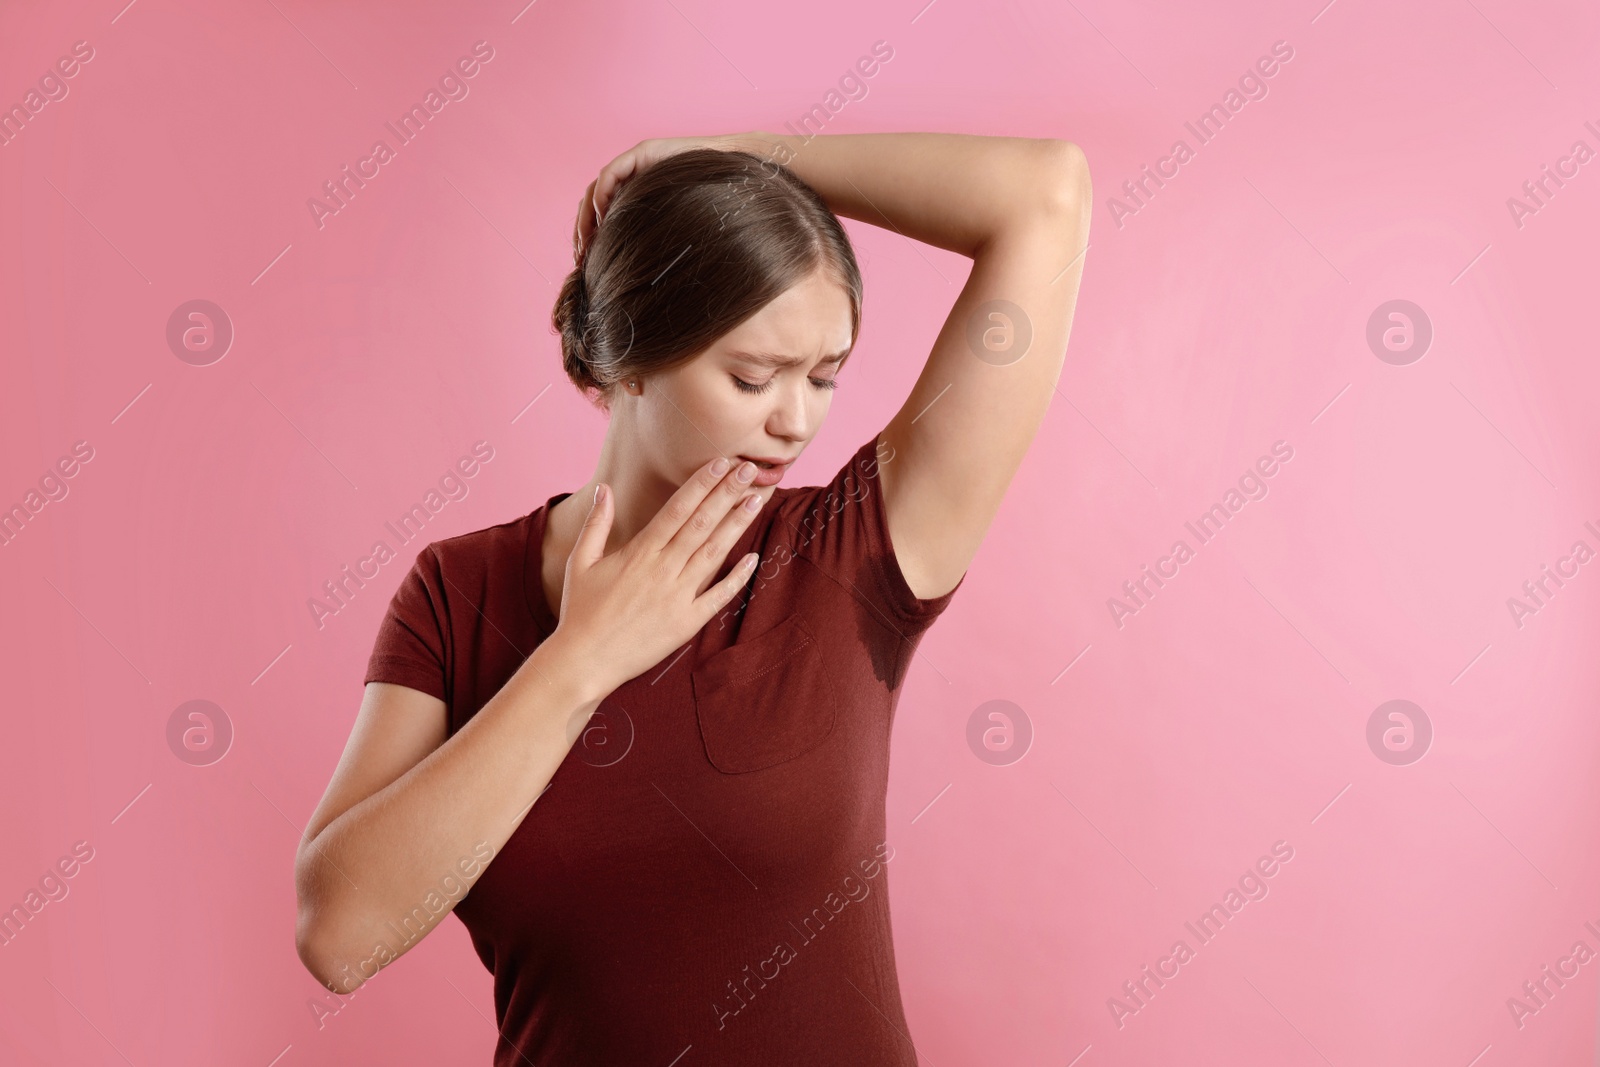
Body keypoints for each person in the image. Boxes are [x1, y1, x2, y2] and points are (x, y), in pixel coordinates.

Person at [293, 130, 1091, 1065]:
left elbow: (1045, 196)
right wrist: (579, 660)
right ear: (630, 358)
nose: (795, 420)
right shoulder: (460, 590)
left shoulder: (853, 557)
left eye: (825, 375)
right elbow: (340, 936)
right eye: (751, 377)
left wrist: (731, 158)